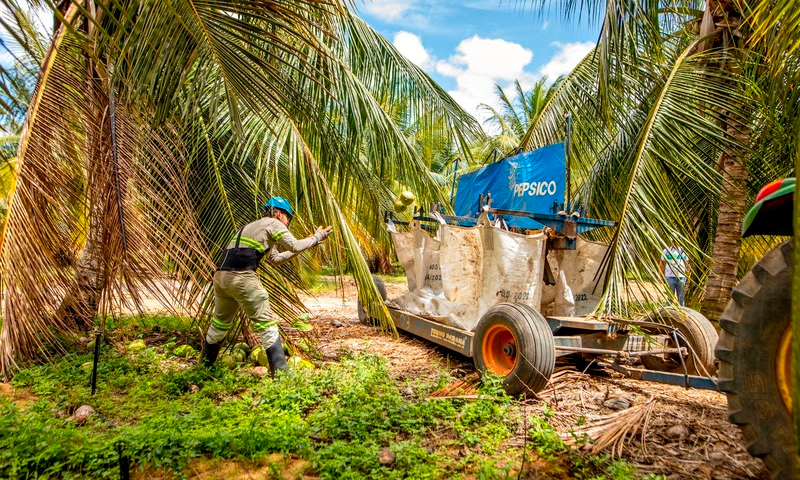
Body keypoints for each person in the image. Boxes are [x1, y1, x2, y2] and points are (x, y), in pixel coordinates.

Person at [200, 197, 332, 374]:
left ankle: (204, 368)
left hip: (221, 278)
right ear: (279, 214)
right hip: (242, 276)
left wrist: (306, 244)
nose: (287, 224)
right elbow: (294, 245)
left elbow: (276, 259)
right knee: (267, 325)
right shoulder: (274, 224)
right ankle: (281, 376)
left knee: (220, 324)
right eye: (288, 219)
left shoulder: (251, 227)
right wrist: (316, 238)